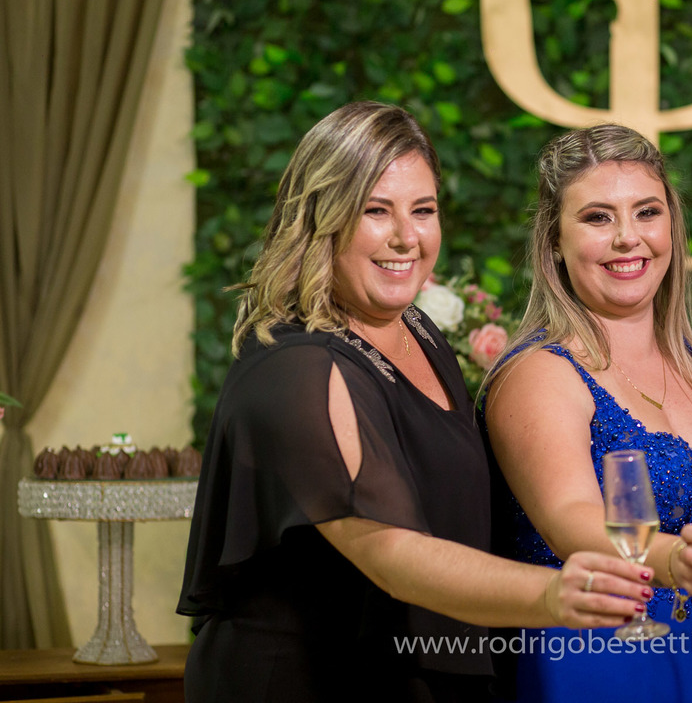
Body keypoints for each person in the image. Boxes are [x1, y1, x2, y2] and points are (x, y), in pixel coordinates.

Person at [177, 102, 652, 703]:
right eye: (376, 211)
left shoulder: (420, 332)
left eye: (423, 210)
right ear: (321, 218)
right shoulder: (294, 368)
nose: (407, 237)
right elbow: (391, 552)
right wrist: (552, 595)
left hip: (399, 671)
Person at [480, 124, 692, 703]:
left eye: (647, 212)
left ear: (672, 228)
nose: (629, 238)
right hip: (593, 658)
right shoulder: (537, 373)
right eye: (598, 218)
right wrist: (679, 560)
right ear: (554, 240)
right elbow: (571, 520)